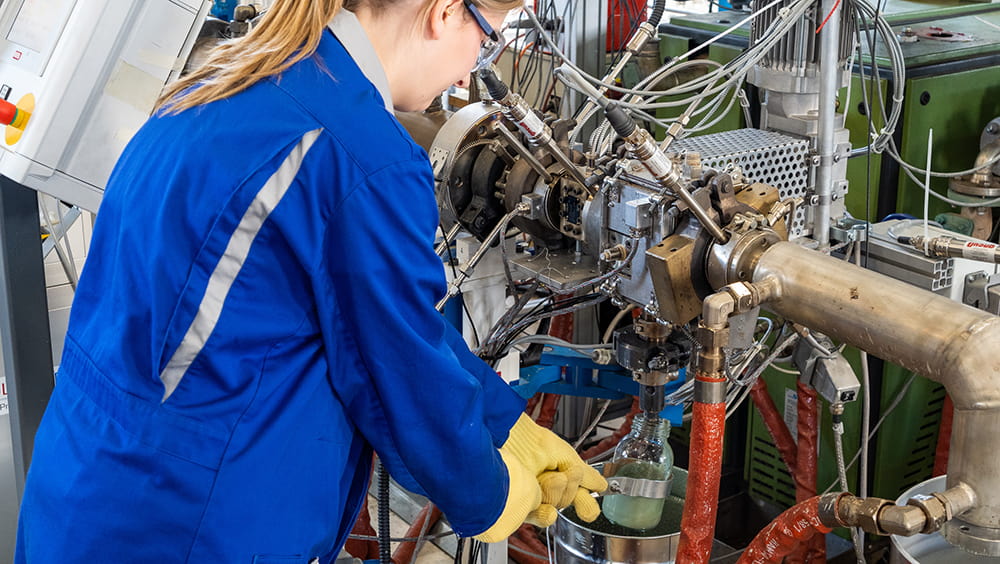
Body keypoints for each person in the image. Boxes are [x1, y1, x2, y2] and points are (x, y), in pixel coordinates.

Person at [14, 0, 606, 562]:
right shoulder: (363, 157)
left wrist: (506, 423)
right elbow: (396, 370)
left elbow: (376, 313)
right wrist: (492, 494)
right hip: (195, 522)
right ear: (445, 12)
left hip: (87, 484)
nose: (472, 62)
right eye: (485, 38)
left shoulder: (223, 78)